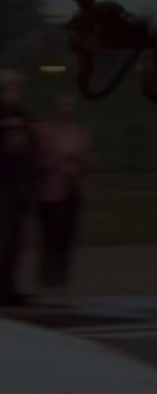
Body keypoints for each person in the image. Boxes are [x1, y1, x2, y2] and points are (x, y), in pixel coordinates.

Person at [33, 94, 92, 304]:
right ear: (54, 108)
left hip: (72, 190)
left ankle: (62, 283)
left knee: (67, 239)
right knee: (50, 239)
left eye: (69, 105)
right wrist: (53, 162)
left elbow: (88, 162)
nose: (66, 109)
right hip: (50, 192)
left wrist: (79, 165)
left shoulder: (81, 133)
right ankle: (46, 283)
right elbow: (36, 159)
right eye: (61, 105)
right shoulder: (43, 131)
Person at [0, 70, 38, 306]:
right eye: (11, 86)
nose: (15, 90)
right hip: (2, 181)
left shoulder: (22, 114)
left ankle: (9, 286)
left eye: (17, 86)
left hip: (19, 182)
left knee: (15, 238)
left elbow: (30, 147)